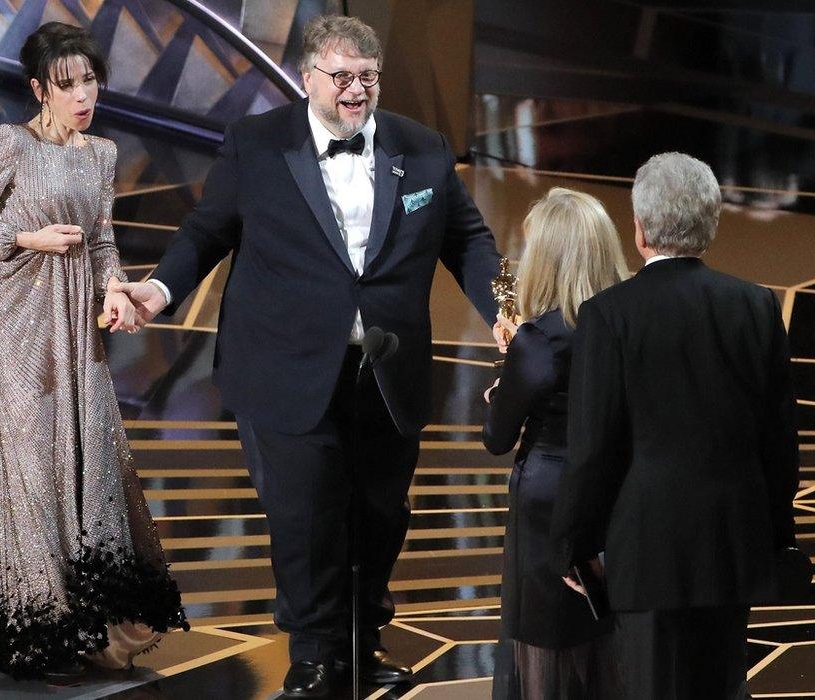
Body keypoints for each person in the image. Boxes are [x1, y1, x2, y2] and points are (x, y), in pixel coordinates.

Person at [111, 14, 499, 698]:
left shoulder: (424, 149)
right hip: (283, 367)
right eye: (342, 78)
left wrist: (506, 311)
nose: (356, 92)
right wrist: (158, 289)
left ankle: (360, 640)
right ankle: (316, 656)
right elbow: (208, 231)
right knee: (307, 518)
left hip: (385, 369)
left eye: (367, 79)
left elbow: (466, 240)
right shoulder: (257, 144)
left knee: (380, 515)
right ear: (308, 77)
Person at [0, 21, 187, 680]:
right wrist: (26, 240)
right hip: (20, 324)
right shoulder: (12, 144)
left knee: (91, 464)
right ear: (38, 88)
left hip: (81, 325)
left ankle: (81, 634)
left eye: (89, 81)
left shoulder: (101, 152)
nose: (83, 95)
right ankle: (44, 639)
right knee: (35, 473)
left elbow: (103, 242)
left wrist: (116, 290)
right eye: (67, 84)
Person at [551, 152, 799, 700]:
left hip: (647, 550)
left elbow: (592, 448)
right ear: (711, 222)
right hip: (732, 543)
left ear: (639, 229)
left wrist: (573, 544)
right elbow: (779, 440)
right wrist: (776, 535)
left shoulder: (609, 314)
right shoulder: (756, 307)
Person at [483, 188, 625, 699]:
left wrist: (506, 379)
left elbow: (497, 438)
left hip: (547, 505)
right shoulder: (625, 322)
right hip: (615, 498)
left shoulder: (537, 341)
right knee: (604, 635)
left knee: (545, 646)